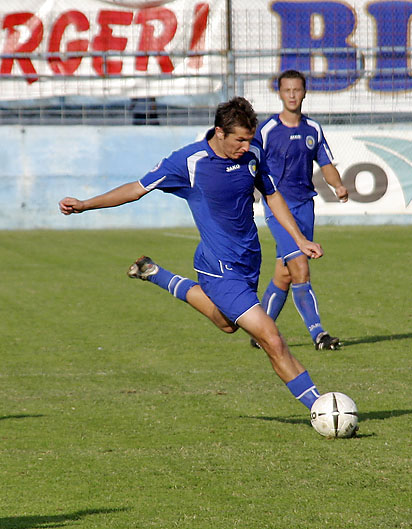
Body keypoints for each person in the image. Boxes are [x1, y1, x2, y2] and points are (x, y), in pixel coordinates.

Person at [59, 97, 324, 411]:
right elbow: (136, 188)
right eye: (239, 139)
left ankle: (157, 274)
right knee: (271, 336)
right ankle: (320, 407)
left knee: (228, 324)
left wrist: (298, 240)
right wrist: (86, 204)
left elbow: (272, 194)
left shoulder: (253, 153)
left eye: (249, 139)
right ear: (219, 133)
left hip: (249, 260)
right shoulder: (188, 161)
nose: (245, 145)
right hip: (218, 267)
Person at [250, 69, 348, 352]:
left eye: (297, 90)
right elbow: (252, 163)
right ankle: (319, 334)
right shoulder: (267, 130)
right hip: (279, 208)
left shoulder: (313, 129)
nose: (292, 95)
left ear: (304, 92)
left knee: (284, 273)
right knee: (300, 268)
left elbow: (326, 163)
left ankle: (260, 330)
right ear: (279, 93)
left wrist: (338, 186)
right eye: (287, 90)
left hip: (306, 207)